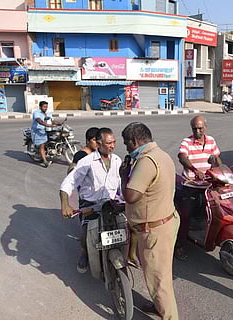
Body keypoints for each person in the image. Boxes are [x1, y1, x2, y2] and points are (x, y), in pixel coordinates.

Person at [120, 122, 179, 319]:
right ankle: (158, 307)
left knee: (160, 283)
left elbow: (130, 196)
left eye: (126, 143)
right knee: (160, 276)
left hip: (154, 231)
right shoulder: (161, 154)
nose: (126, 147)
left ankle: (168, 315)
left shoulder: (147, 161)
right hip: (165, 221)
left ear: (135, 141)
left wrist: (123, 176)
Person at [60, 127, 122, 274]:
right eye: (108, 143)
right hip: (90, 205)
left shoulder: (117, 160)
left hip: (111, 203)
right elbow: (69, 182)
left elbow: (122, 183)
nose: (112, 146)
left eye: (114, 142)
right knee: (86, 236)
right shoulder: (87, 161)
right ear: (98, 143)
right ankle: (85, 253)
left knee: (127, 227)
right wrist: (65, 204)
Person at [174, 115, 222, 260]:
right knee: (186, 216)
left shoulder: (211, 141)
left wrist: (219, 166)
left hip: (208, 186)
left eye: (200, 128)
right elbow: (182, 157)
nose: (197, 131)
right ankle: (179, 246)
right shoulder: (187, 142)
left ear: (205, 128)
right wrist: (195, 171)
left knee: (215, 213)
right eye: (195, 129)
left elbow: (217, 158)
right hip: (191, 185)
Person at [31, 101, 63, 167]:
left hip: (47, 130)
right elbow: (39, 120)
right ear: (40, 107)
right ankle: (45, 160)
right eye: (44, 107)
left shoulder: (48, 113)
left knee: (55, 137)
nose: (45, 108)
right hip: (38, 131)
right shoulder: (36, 113)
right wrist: (46, 125)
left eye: (46, 107)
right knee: (42, 144)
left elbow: (52, 120)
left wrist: (59, 123)